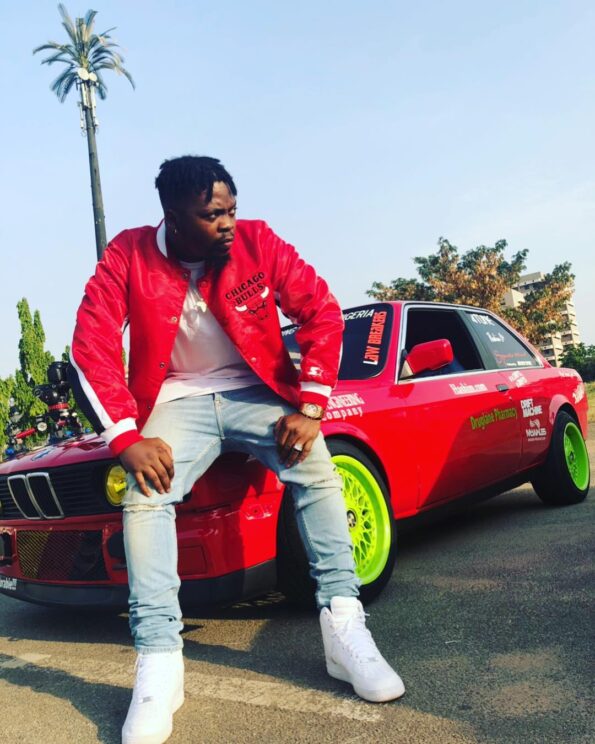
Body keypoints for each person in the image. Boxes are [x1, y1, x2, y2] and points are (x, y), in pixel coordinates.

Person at [69, 156, 404, 744]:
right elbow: (90, 344)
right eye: (211, 215)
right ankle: (159, 660)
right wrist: (125, 438)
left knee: (317, 468)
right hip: (176, 399)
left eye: (231, 209)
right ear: (173, 216)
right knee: (144, 493)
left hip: (257, 390)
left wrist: (311, 406)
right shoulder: (128, 253)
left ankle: (344, 627)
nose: (227, 223)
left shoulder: (257, 240)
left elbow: (321, 311)